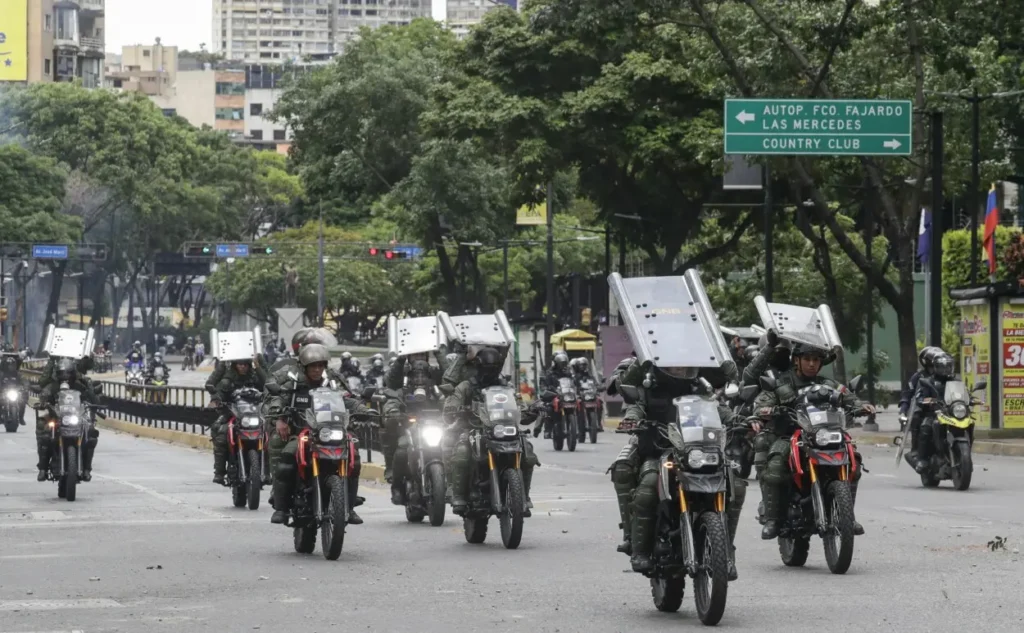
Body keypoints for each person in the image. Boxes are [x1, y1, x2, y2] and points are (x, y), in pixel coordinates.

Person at [611, 361, 745, 580]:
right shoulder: (648, 387)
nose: (680, 370)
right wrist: (632, 420)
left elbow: (717, 408)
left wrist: (737, 419)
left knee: (736, 486)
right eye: (674, 367)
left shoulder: (698, 387)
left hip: (696, 453)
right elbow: (636, 405)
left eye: (684, 366)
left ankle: (726, 552)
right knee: (648, 485)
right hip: (658, 451)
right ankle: (640, 551)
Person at [753, 343, 872, 540]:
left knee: (854, 461)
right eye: (807, 359)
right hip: (790, 435)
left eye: (816, 360)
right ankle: (773, 519)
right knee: (775, 465)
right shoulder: (782, 383)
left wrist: (861, 406)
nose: (811, 364)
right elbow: (763, 401)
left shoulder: (827, 384)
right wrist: (764, 410)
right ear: (797, 361)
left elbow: (847, 396)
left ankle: (847, 517)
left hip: (823, 435)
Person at [267, 344, 369, 525]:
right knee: (287, 458)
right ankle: (281, 508)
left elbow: (347, 399)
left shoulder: (332, 382)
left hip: (329, 431)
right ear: (304, 367)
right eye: (313, 366)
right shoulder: (294, 384)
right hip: (302, 432)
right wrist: (279, 418)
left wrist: (364, 410)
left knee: (354, 455)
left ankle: (350, 506)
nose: (317, 369)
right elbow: (277, 398)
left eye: (320, 366)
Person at [445, 346, 539, 517]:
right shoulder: (466, 386)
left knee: (529, 452)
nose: (491, 372)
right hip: (475, 429)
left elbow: (520, 410)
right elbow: (449, 408)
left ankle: (523, 497)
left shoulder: (507, 387)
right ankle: (458, 496)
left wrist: (532, 411)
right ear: (479, 366)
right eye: (488, 368)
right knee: (461, 452)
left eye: (494, 368)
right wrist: (457, 409)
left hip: (502, 429)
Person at [382, 350, 449, 503]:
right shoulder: (402, 384)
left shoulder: (436, 384)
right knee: (401, 450)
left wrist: (439, 353)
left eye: (422, 355)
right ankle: (397, 487)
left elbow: (449, 384)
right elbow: (392, 398)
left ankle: (453, 486)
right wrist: (393, 412)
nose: (420, 378)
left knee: (451, 446)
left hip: (434, 428)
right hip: (409, 428)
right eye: (414, 355)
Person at [205, 356, 268, 485]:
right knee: (220, 432)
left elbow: (268, 384)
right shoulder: (227, 379)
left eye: (246, 364)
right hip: (233, 413)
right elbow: (218, 392)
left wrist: (258, 364)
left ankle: (266, 472)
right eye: (240, 364)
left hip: (254, 414)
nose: (243, 367)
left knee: (269, 434)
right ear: (235, 365)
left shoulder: (255, 376)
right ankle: (219, 472)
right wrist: (217, 400)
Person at [37, 356, 100, 481]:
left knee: (91, 433)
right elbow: (44, 395)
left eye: (68, 373)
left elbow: (93, 400)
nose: (65, 376)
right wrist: (43, 402)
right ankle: (43, 468)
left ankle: (87, 468)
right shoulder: (53, 386)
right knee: (44, 433)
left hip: (76, 418)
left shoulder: (80, 385)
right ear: (58, 374)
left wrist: (90, 390)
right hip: (56, 417)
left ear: (73, 373)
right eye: (62, 373)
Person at [914, 349, 956, 473]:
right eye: (942, 367)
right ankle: (922, 459)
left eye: (948, 367)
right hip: (934, 413)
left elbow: (962, 394)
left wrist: (970, 399)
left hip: (952, 414)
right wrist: (925, 400)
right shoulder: (928, 382)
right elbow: (919, 396)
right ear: (936, 367)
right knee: (926, 427)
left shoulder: (955, 382)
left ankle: (963, 452)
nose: (945, 370)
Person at [900, 346, 938, 469]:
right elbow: (907, 394)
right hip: (925, 409)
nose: (935, 368)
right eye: (933, 365)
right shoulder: (918, 376)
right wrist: (903, 411)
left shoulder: (946, 376)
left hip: (944, 409)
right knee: (917, 418)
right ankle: (916, 451)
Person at [539, 351, 574, 439]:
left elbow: (573, 381)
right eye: (561, 363)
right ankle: (548, 430)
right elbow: (545, 384)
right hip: (554, 395)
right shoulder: (550, 373)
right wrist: (547, 388)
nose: (563, 365)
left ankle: (577, 428)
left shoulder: (568, 372)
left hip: (566, 394)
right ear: (557, 363)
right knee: (549, 409)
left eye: (564, 363)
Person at [1, 344, 27, 424]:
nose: (10, 367)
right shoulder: (2, 374)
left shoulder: (18, 374)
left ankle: (21, 417)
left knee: (23, 401)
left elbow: (24, 382)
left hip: (15, 391)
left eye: (12, 365)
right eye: (9, 365)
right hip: (3, 392)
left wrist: (25, 387)